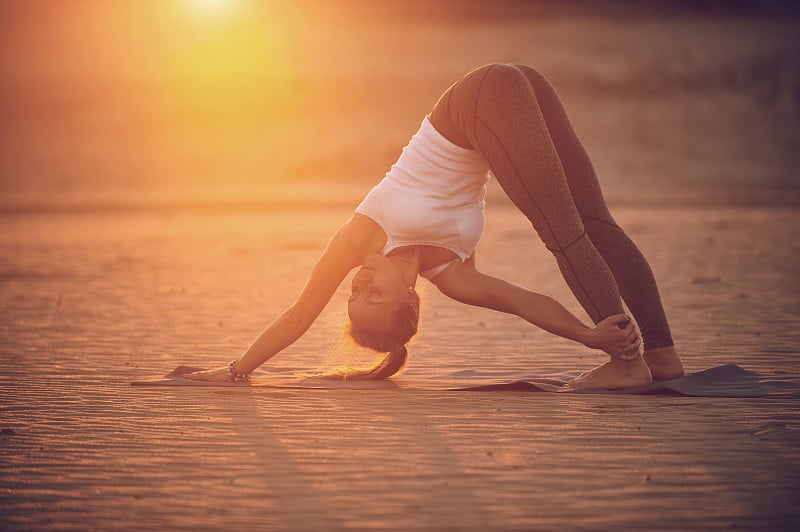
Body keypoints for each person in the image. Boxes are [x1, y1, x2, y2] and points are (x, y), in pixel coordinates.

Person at [186, 63, 684, 389]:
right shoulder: (456, 276)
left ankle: (628, 365)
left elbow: (298, 316)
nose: (359, 284)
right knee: (590, 226)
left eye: (355, 295)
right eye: (373, 296)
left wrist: (234, 370)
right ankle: (659, 356)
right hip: (514, 93)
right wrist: (586, 336)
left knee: (565, 232)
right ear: (410, 299)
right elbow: (526, 303)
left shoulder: (363, 235)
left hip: (478, 100)